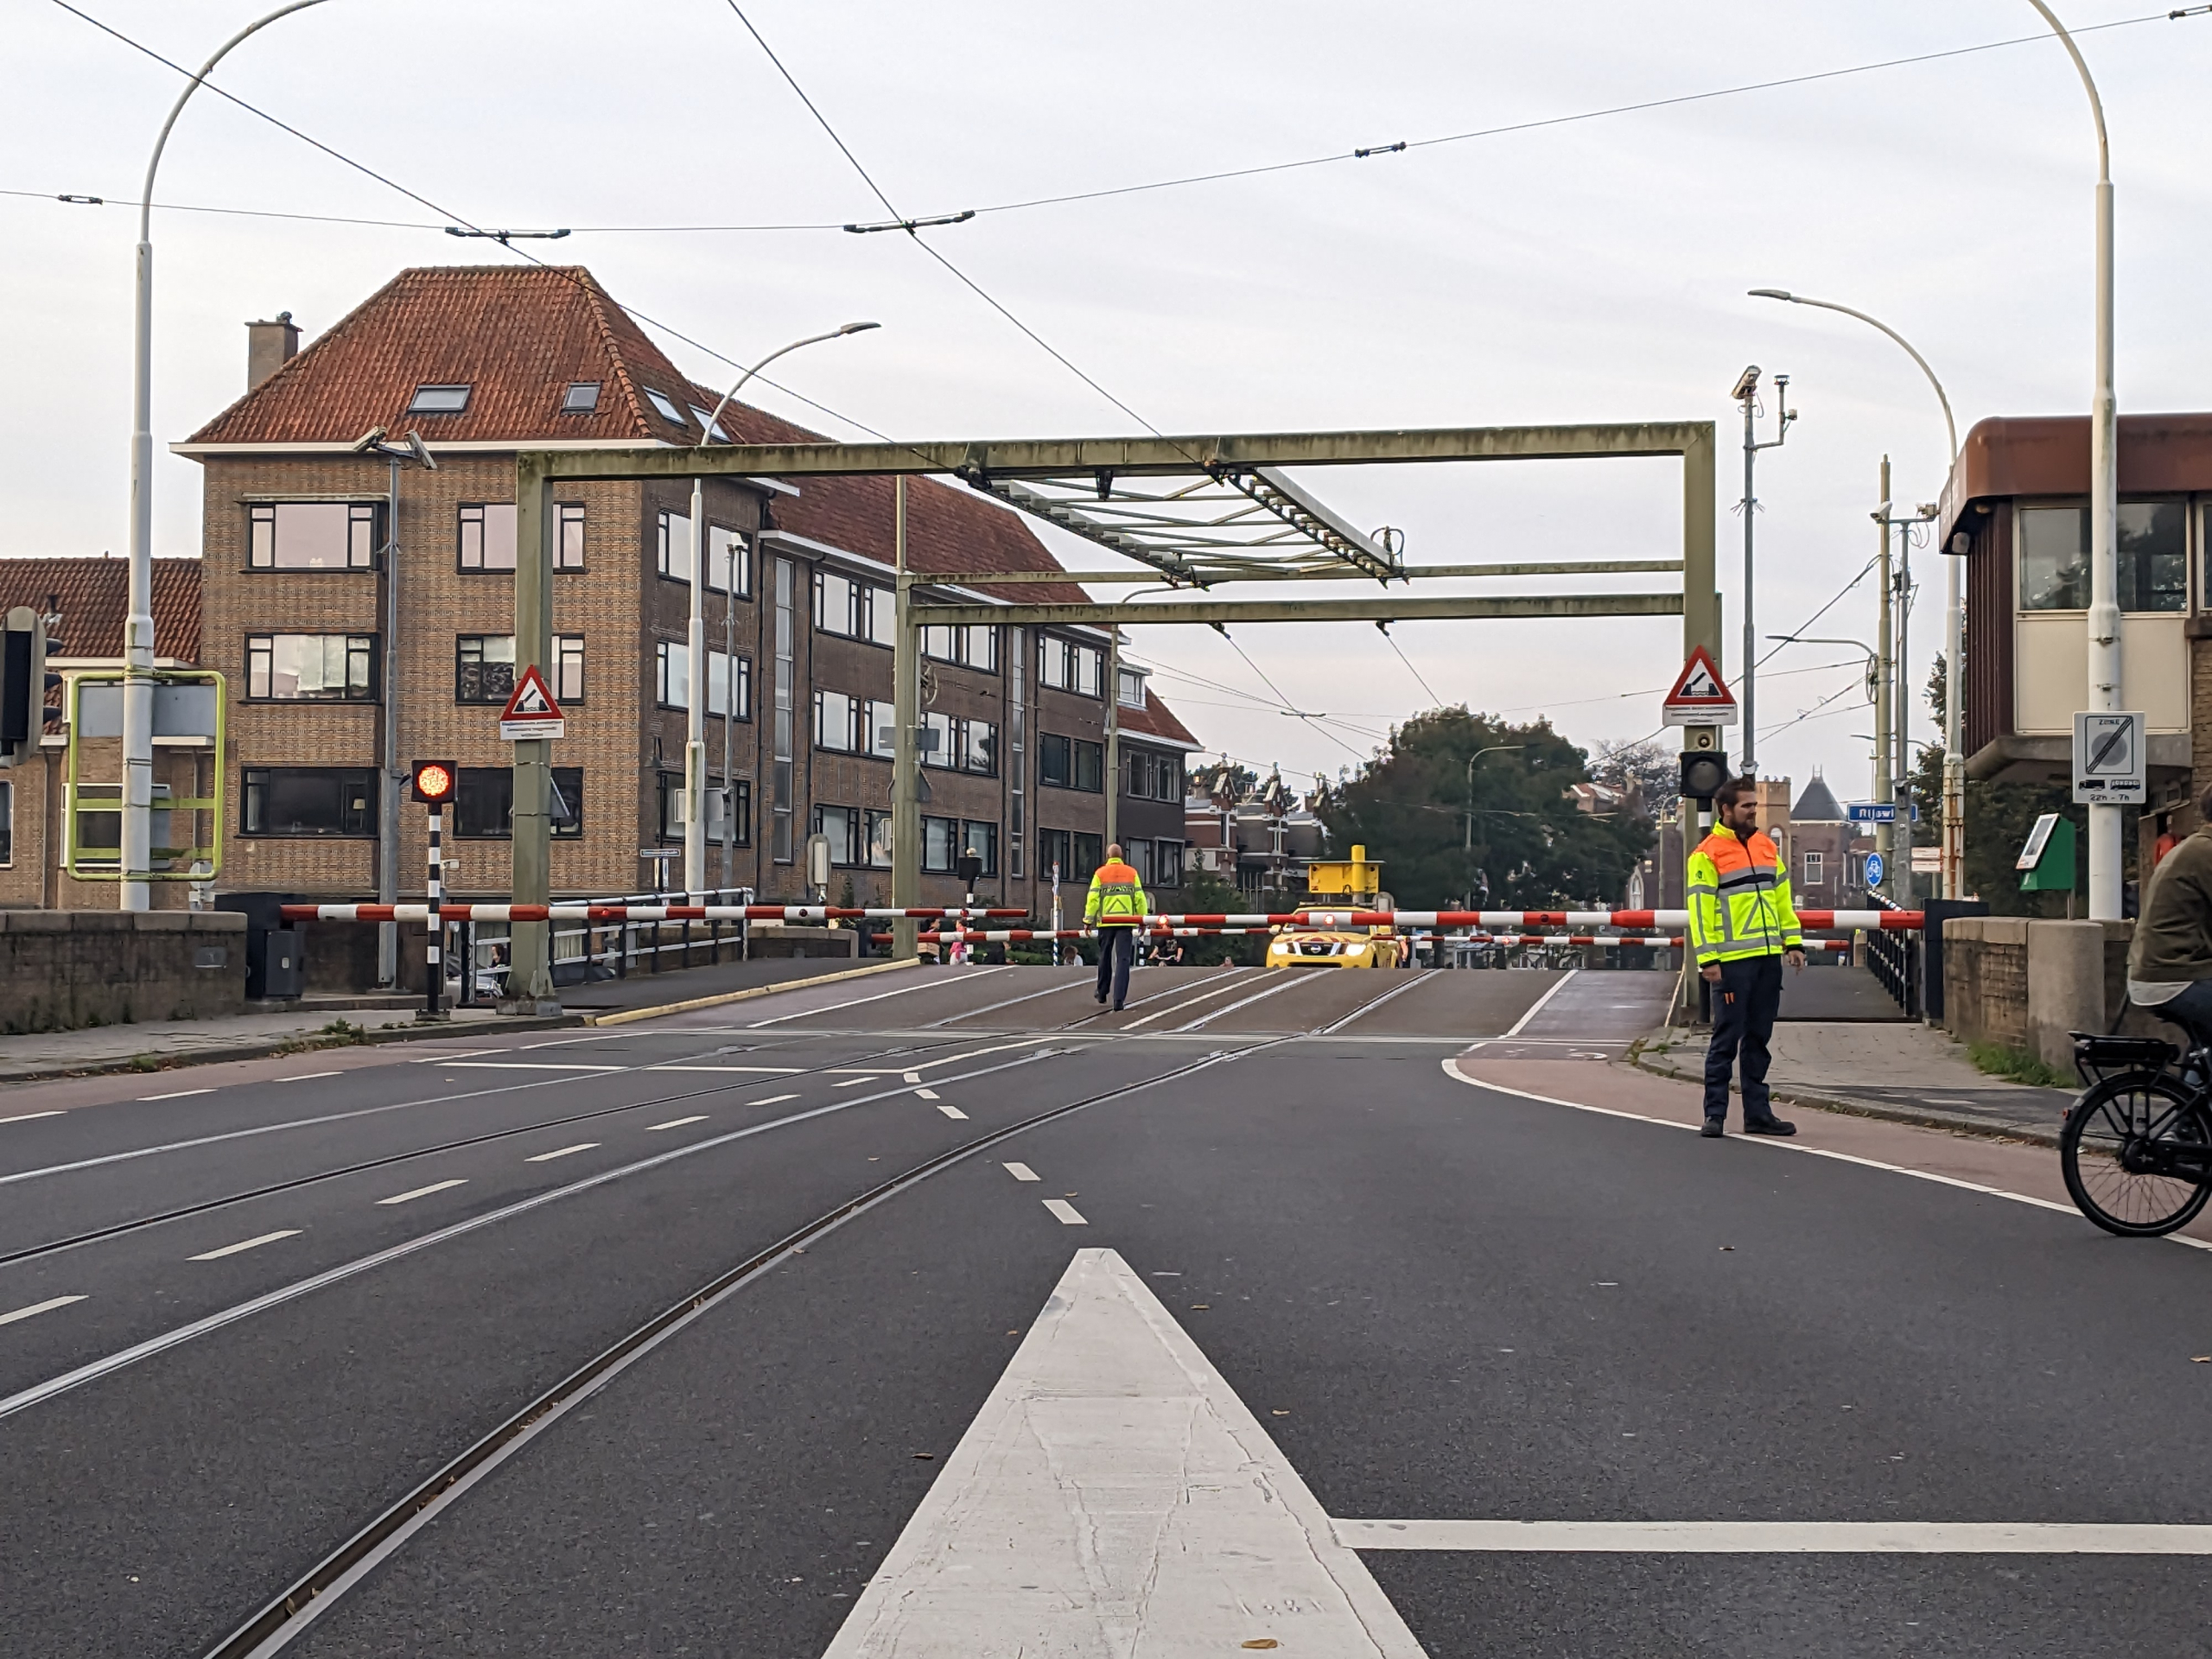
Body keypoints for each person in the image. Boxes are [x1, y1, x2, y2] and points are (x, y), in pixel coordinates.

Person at [1687, 775, 1807, 1138]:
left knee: (1759, 1039)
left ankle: (1758, 1114)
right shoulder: (1706, 854)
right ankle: (1715, 1115)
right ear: (1726, 810)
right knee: (1726, 1038)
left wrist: (1794, 942)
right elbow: (1700, 910)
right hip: (1732, 963)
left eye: (1755, 805)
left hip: (1768, 959)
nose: (1754, 811)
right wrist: (1708, 959)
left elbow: (1782, 899)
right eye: (1747, 806)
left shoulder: (1768, 847)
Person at [2128, 792, 2212, 1050]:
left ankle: (2190, 1091)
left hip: (2154, 975)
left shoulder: (2193, 847)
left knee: (2204, 1044)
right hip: (2176, 978)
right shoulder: (2206, 853)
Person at [1085, 842, 1149, 1010]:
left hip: (1105, 921)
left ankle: (1102, 991)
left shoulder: (1100, 874)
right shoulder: (1131, 873)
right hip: (1126, 921)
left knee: (1105, 956)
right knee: (1123, 960)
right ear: (1121, 856)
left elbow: (1093, 899)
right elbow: (1140, 898)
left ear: (1108, 856)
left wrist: (1087, 920)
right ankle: (1119, 1000)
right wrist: (1142, 920)